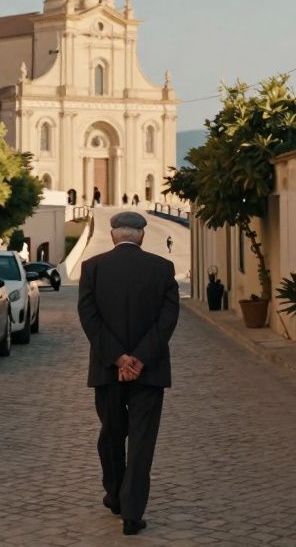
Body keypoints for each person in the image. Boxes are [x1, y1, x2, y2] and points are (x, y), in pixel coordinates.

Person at [78, 211, 179, 536]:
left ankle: (115, 494)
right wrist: (139, 358)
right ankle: (132, 513)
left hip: (108, 372)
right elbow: (167, 319)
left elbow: (89, 318)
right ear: (142, 236)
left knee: (111, 434)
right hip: (149, 373)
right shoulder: (162, 269)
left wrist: (118, 358)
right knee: (141, 442)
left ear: (112, 236)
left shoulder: (91, 268)